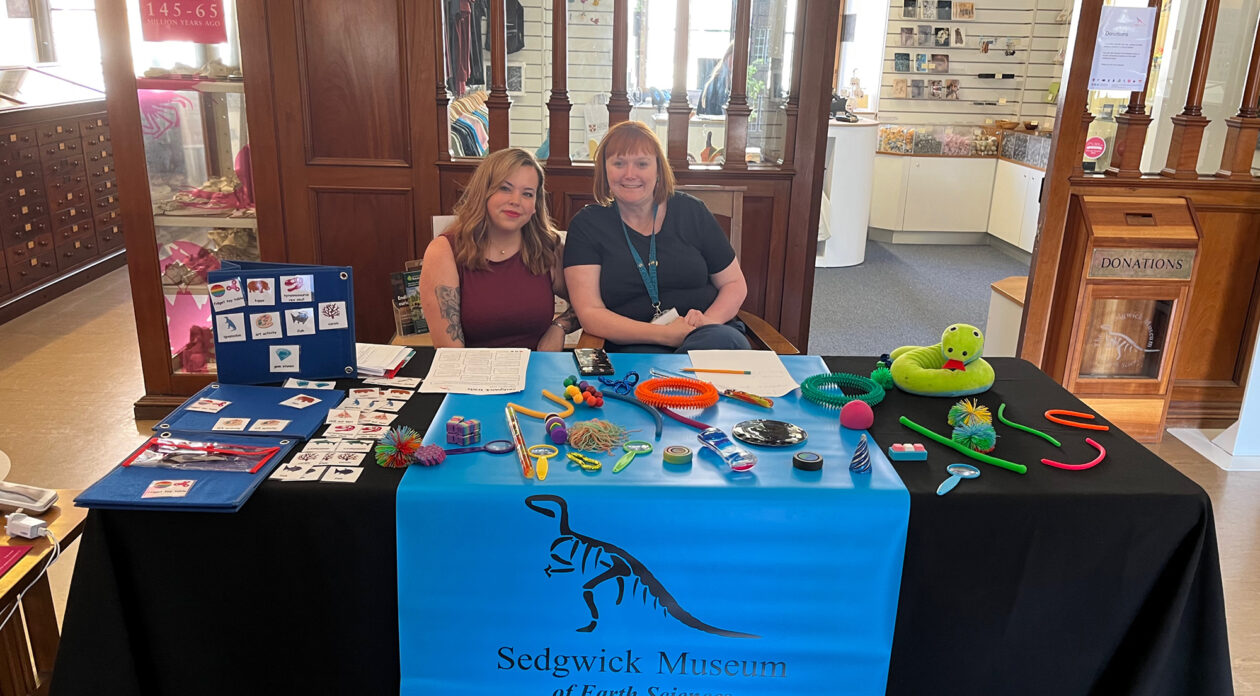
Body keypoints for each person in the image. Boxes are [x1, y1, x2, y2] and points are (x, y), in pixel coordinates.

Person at [564, 121, 750, 353]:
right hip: (636, 343)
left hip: (707, 335)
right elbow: (590, 313)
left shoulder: (692, 211)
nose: (630, 174)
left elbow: (734, 284)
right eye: (619, 163)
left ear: (658, 170)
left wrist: (707, 322)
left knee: (724, 342)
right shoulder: (587, 225)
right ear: (604, 170)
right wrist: (665, 335)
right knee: (648, 371)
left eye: (642, 163)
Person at [419, 148, 576, 350]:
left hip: (539, 372)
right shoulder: (444, 251)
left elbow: (589, 305)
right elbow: (450, 354)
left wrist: (559, 326)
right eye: (505, 188)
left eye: (527, 194)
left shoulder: (549, 247)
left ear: (535, 204)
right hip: (472, 375)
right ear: (483, 192)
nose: (515, 201)